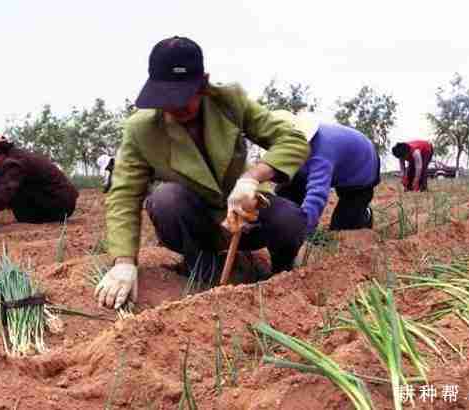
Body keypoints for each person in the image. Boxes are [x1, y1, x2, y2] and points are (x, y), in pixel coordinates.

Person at [96, 36, 311, 310]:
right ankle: (202, 268)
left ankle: (281, 273)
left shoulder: (230, 102)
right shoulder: (141, 130)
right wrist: (124, 263)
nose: (175, 107)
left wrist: (251, 178)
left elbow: (292, 139)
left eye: (183, 97)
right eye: (166, 98)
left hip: (244, 216)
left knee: (288, 219)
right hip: (193, 223)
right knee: (165, 198)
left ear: (204, 84)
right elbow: (124, 196)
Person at [276, 115, 380, 233]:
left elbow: (317, 195)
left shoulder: (321, 155)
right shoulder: (298, 149)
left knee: (342, 228)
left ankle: (364, 214)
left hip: (363, 167)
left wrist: (303, 232)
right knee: (288, 193)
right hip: (340, 160)